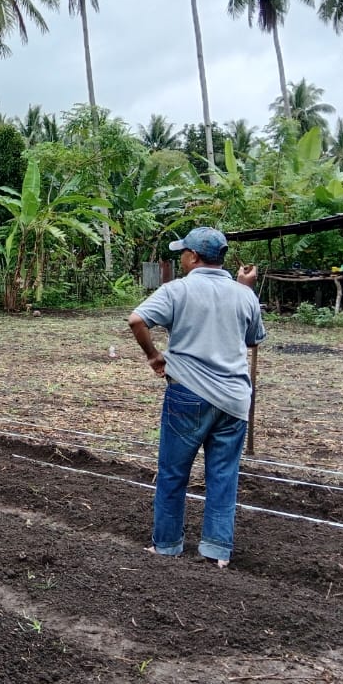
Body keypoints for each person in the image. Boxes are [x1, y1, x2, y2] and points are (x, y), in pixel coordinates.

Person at [128, 227, 265, 569]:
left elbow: (137, 319)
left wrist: (153, 356)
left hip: (187, 394)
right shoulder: (245, 295)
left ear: (193, 257)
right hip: (234, 400)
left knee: (173, 473)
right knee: (223, 475)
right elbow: (251, 340)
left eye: (183, 254)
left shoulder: (177, 289)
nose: (181, 259)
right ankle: (217, 551)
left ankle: (167, 545)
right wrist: (245, 290)